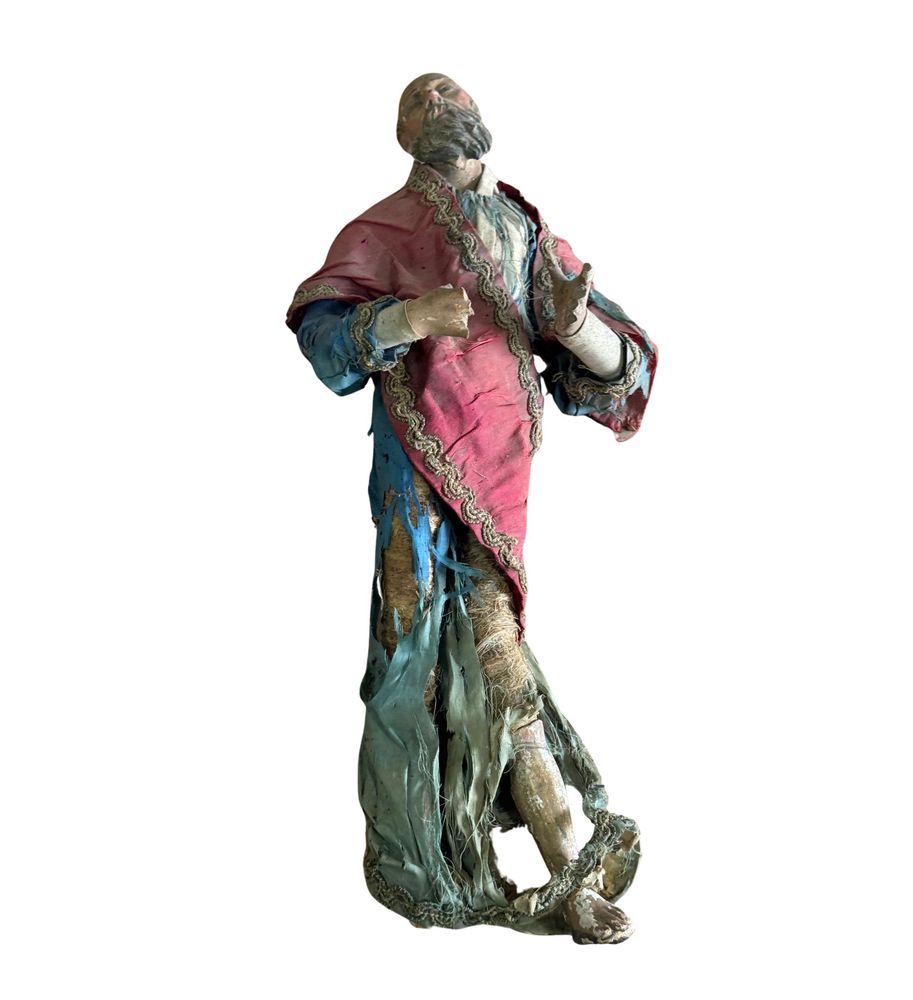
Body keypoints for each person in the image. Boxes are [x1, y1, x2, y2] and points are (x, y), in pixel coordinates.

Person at [286, 74, 657, 943]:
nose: (438, 102)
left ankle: (548, 870)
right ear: (403, 133)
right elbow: (323, 338)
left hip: (500, 482)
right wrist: (405, 318)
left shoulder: (525, 230)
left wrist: (573, 326)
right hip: (419, 483)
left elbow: (616, 369)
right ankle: (519, 871)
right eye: (419, 100)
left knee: (496, 664)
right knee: (442, 666)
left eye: (447, 91)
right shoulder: (382, 229)